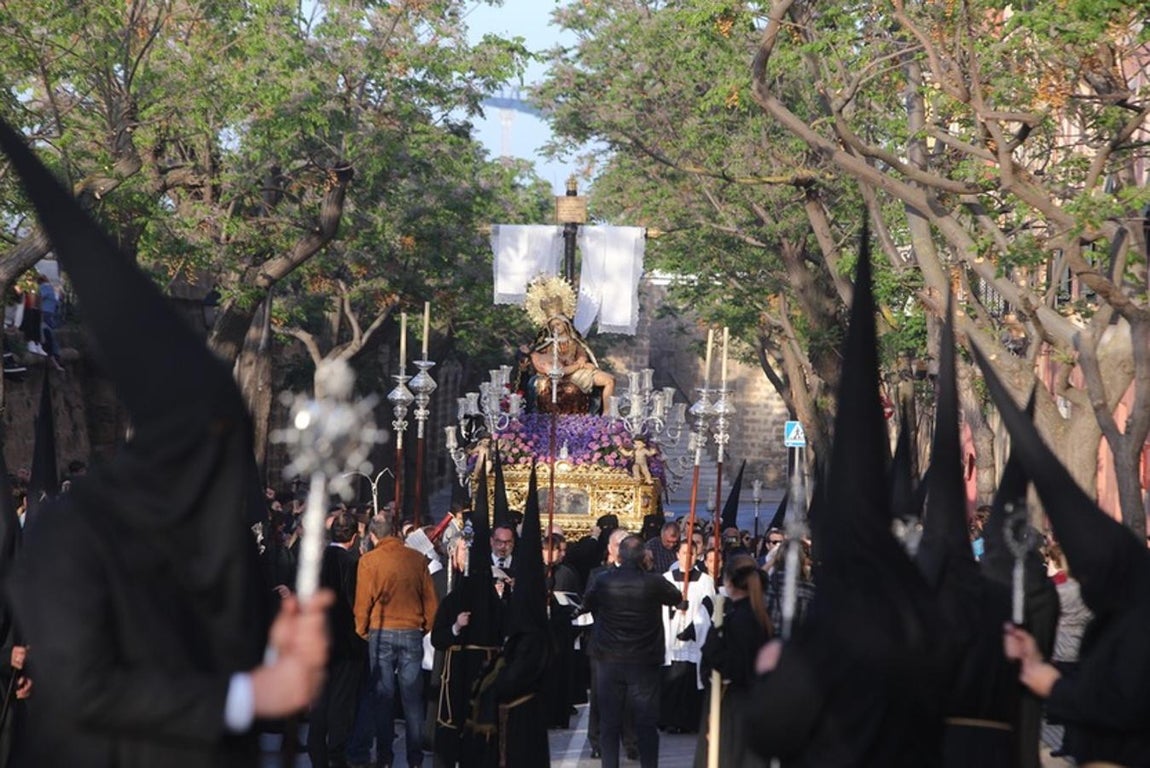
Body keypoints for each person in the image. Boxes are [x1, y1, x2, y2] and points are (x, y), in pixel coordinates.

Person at [0, 117, 333, 768]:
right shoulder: (69, 535)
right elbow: (83, 687)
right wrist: (250, 691)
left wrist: (279, 650)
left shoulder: (216, 545)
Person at [584, 535, 683, 768]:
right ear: (642, 557)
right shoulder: (654, 582)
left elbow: (587, 604)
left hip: (610, 658)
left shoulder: (604, 580)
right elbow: (676, 597)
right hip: (643, 659)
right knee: (646, 722)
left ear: (619, 555)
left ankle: (610, 764)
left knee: (610, 722)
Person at [355, 513, 439, 768]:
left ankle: (384, 758)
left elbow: (362, 603)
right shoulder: (417, 559)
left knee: (383, 697)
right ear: (397, 533)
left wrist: (363, 631)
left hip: (381, 631)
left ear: (373, 536)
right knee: (412, 699)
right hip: (411, 630)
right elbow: (431, 603)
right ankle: (415, 759)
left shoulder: (369, 561)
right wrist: (423, 627)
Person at [694, 554, 771, 768]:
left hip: (733, 704)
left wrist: (715, 645)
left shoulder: (738, 620)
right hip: (755, 702)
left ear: (729, 583)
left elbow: (735, 664)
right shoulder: (763, 616)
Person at [309, 511, 367, 768]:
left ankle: (316, 748)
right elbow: (355, 602)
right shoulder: (351, 563)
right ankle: (336, 751)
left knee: (320, 698)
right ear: (354, 537)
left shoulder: (316, 560)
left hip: (318, 640)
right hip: (345, 643)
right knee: (341, 701)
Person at [660, 540, 715, 734]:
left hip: (694, 636)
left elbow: (709, 606)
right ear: (677, 555)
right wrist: (674, 607)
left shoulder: (705, 580)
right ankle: (669, 720)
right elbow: (660, 605)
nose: (687, 557)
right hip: (672, 635)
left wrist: (693, 627)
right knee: (673, 678)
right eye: (684, 553)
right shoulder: (666, 578)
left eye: (691, 553)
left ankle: (689, 721)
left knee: (690, 678)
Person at [528, 313, 615, 411]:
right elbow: (542, 361)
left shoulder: (575, 343)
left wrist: (581, 362)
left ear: (565, 324)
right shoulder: (548, 344)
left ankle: (607, 413)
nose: (555, 328)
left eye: (558, 324)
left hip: (576, 373)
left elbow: (582, 358)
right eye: (552, 326)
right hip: (556, 375)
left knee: (609, 380)